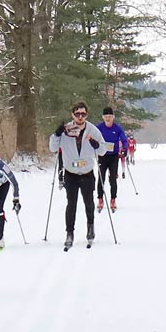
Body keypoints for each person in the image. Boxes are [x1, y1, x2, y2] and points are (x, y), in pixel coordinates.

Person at [49, 101, 108, 249]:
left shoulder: (92, 130)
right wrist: (57, 133)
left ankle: (90, 228)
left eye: (83, 114)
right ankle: (69, 233)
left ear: (86, 115)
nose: (80, 117)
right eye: (77, 114)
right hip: (71, 174)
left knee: (89, 203)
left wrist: (96, 145)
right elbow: (53, 148)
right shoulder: (66, 130)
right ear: (72, 115)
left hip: (87, 173)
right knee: (71, 204)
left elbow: (103, 150)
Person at [95, 107, 128, 212]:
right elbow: (91, 137)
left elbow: (124, 139)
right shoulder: (99, 127)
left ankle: (113, 199)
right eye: (106, 117)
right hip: (102, 156)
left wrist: (125, 148)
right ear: (103, 117)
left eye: (110, 116)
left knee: (113, 178)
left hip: (113, 156)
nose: (108, 119)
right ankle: (100, 199)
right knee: (101, 178)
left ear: (113, 117)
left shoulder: (117, 128)